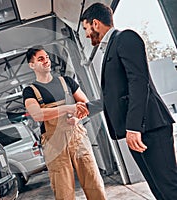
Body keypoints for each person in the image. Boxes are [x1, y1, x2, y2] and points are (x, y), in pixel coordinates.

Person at [81, 3, 177, 200]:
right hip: (140, 130)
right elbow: (117, 94)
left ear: (96, 23)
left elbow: (139, 82)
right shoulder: (110, 47)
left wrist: (133, 127)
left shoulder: (125, 38)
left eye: (86, 28)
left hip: (149, 126)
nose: (86, 34)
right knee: (158, 189)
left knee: (169, 187)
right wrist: (90, 107)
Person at [22, 46, 107, 200]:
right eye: (40, 59)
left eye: (47, 57)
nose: (46, 61)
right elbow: (37, 114)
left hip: (77, 137)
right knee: (63, 190)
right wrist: (68, 107)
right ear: (32, 65)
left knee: (94, 182)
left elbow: (86, 105)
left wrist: (77, 118)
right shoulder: (30, 91)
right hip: (53, 142)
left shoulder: (67, 82)